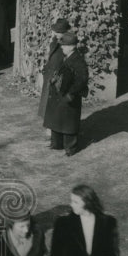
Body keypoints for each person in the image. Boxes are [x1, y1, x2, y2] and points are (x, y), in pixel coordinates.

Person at [39, 22, 89, 156]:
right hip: (59, 93)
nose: (62, 48)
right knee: (57, 120)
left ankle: (70, 148)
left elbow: (82, 79)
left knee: (69, 124)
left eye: (64, 46)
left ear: (71, 47)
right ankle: (56, 144)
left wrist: (71, 92)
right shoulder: (68, 56)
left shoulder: (78, 60)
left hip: (69, 95)